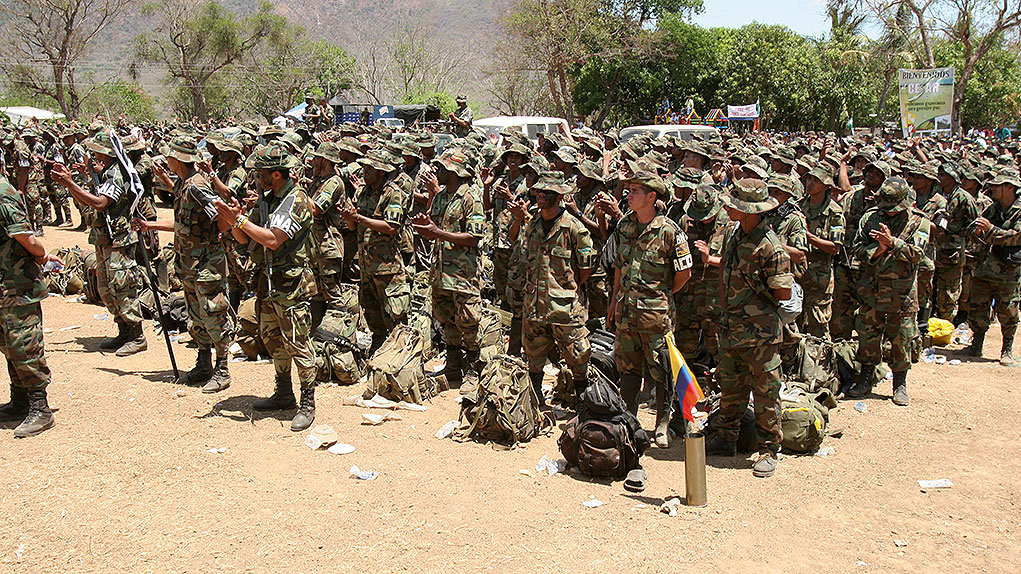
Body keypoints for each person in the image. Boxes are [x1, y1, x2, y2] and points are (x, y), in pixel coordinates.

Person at [213, 143, 319, 432]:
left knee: (297, 342)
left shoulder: (296, 200)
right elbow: (246, 240)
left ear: (276, 173)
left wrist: (240, 219)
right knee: (274, 340)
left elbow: (273, 239)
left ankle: (308, 402)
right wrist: (232, 217)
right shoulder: (268, 200)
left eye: (261, 172)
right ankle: (283, 392)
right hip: (268, 283)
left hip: (291, 286)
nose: (256, 177)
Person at [705, 178, 793, 479]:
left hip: (760, 333)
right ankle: (726, 438)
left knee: (766, 391)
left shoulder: (771, 247)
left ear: (750, 210)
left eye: (735, 205)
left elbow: (783, 292)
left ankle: (769, 448)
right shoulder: (733, 234)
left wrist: (755, 288)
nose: (729, 208)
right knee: (731, 386)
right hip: (732, 327)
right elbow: (726, 272)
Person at [609, 169, 692, 447]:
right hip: (626, 313)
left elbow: (684, 274)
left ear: (651, 196)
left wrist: (661, 297)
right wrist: (613, 302)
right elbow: (619, 266)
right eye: (628, 190)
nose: (628, 195)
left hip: (656, 316)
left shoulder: (670, 231)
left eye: (635, 191)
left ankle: (662, 424)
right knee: (628, 368)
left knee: (662, 370)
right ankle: (629, 420)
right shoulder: (625, 225)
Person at [144, 136, 234, 393]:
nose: (166, 161)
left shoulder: (196, 186)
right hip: (189, 263)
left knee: (214, 314)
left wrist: (214, 237)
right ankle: (204, 363)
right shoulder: (183, 185)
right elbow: (182, 225)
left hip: (206, 263)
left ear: (178, 159)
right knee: (196, 316)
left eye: (169, 157)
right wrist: (150, 225)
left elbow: (221, 215)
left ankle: (223, 368)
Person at [50, 131, 147, 357]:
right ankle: (123, 330)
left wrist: (70, 184)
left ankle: (137, 335)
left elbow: (101, 203)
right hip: (104, 238)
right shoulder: (106, 173)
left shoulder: (116, 174)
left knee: (122, 287)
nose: (93, 154)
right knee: (105, 288)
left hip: (118, 240)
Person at [515, 172, 596, 405]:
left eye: (548, 193)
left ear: (559, 196)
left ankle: (582, 402)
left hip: (565, 305)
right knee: (534, 354)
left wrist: (567, 288)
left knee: (577, 355)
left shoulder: (573, 228)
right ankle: (535, 400)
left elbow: (585, 269)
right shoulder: (533, 225)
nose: (541, 196)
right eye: (539, 191)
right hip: (535, 303)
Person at [848, 177, 930, 406]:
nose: (890, 213)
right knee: (868, 336)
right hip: (872, 290)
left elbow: (917, 254)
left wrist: (892, 243)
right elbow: (857, 249)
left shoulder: (918, 222)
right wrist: (878, 248)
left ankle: (900, 383)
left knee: (901, 339)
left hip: (901, 293)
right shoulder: (871, 217)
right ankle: (865, 377)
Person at [412, 149, 486, 387]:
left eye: (441, 169)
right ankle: (453, 367)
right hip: (441, 271)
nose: (436, 172)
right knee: (447, 321)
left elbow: (474, 237)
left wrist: (438, 233)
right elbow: (433, 224)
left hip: (463, 274)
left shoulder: (470, 198)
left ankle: (474, 371)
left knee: (469, 322)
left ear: (454, 172)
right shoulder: (442, 196)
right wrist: (426, 228)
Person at [0, 174, 62, 437]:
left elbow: (26, 237)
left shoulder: (3, 192)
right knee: (7, 343)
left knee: (23, 342)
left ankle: (40, 407)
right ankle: (20, 400)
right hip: (4, 283)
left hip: (17, 283)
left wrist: (42, 255)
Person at [341, 149, 411, 354]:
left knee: (395, 315)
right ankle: (378, 352)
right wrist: (349, 218)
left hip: (387, 266)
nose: (365, 171)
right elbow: (354, 228)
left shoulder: (393, 192)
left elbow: (391, 227)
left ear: (381, 171)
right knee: (372, 313)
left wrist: (359, 219)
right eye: (364, 167)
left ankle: (401, 358)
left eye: (370, 168)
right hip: (366, 264)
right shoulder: (363, 192)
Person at [964, 167, 1021, 365]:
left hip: (1008, 272)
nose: (992, 188)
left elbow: (1015, 236)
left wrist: (990, 232)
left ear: (1009, 187)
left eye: (997, 186)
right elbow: (975, 228)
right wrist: (979, 232)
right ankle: (976, 345)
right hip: (984, 268)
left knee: (1008, 310)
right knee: (978, 308)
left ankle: (1007, 349)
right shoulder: (993, 208)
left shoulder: (1019, 211)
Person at [799, 165, 844, 340]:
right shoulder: (799, 206)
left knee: (818, 327)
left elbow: (835, 247)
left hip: (820, 279)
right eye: (809, 179)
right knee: (795, 324)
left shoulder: (834, 212)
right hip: (798, 275)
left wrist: (809, 237)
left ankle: (822, 365)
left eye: (816, 180)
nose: (810, 183)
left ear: (826, 186)